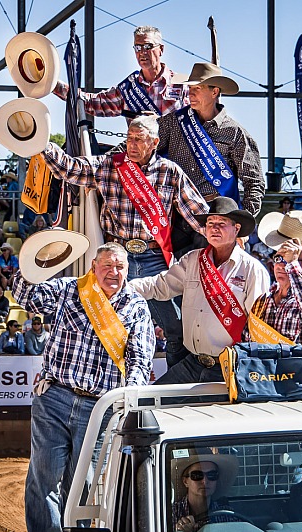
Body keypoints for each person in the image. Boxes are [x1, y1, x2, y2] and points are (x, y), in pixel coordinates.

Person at [12, 241, 155, 532]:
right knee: (44, 476)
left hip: (99, 407)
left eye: (120, 267)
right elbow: (26, 296)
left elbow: (140, 359)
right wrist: (35, 262)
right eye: (107, 266)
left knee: (85, 483)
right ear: (94, 267)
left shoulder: (136, 306)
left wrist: (129, 394)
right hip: (54, 398)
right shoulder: (69, 289)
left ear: (128, 270)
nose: (113, 273)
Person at [41, 115, 209, 367]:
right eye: (129, 138)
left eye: (139, 139)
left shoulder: (170, 172)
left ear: (154, 142)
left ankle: (177, 383)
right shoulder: (110, 165)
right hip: (118, 259)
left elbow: (196, 212)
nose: (131, 144)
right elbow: (70, 169)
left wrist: (224, 235)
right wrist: (42, 143)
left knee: (175, 326)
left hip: (155, 258)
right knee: (111, 323)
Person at [130, 197, 269, 384]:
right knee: (150, 406)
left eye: (222, 223)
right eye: (210, 223)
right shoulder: (193, 260)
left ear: (236, 229)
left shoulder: (252, 269)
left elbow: (259, 324)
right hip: (192, 363)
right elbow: (159, 286)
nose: (214, 228)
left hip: (231, 368)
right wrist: (122, 288)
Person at [157, 62, 265, 254]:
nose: (190, 93)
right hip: (174, 214)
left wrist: (242, 225)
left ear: (214, 92)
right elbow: (145, 144)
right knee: (172, 278)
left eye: (197, 88)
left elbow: (254, 183)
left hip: (214, 217)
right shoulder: (173, 122)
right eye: (190, 88)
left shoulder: (234, 133)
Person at [244, 211, 302, 365]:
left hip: (300, 385)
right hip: (266, 382)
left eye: (291, 258)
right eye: (279, 258)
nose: (282, 265)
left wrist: (293, 265)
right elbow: (248, 338)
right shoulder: (263, 300)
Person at [53, 25, 187, 118]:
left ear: (161, 49)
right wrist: (51, 83)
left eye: (147, 46)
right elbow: (93, 102)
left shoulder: (182, 85)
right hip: (139, 157)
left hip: (174, 157)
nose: (142, 52)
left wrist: (159, 123)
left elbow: (195, 124)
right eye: (138, 47)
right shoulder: (128, 89)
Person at [172, 448, 238, 532]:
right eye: (197, 475)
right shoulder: (171, 514)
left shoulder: (227, 514)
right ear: (185, 481)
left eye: (211, 475)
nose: (205, 481)